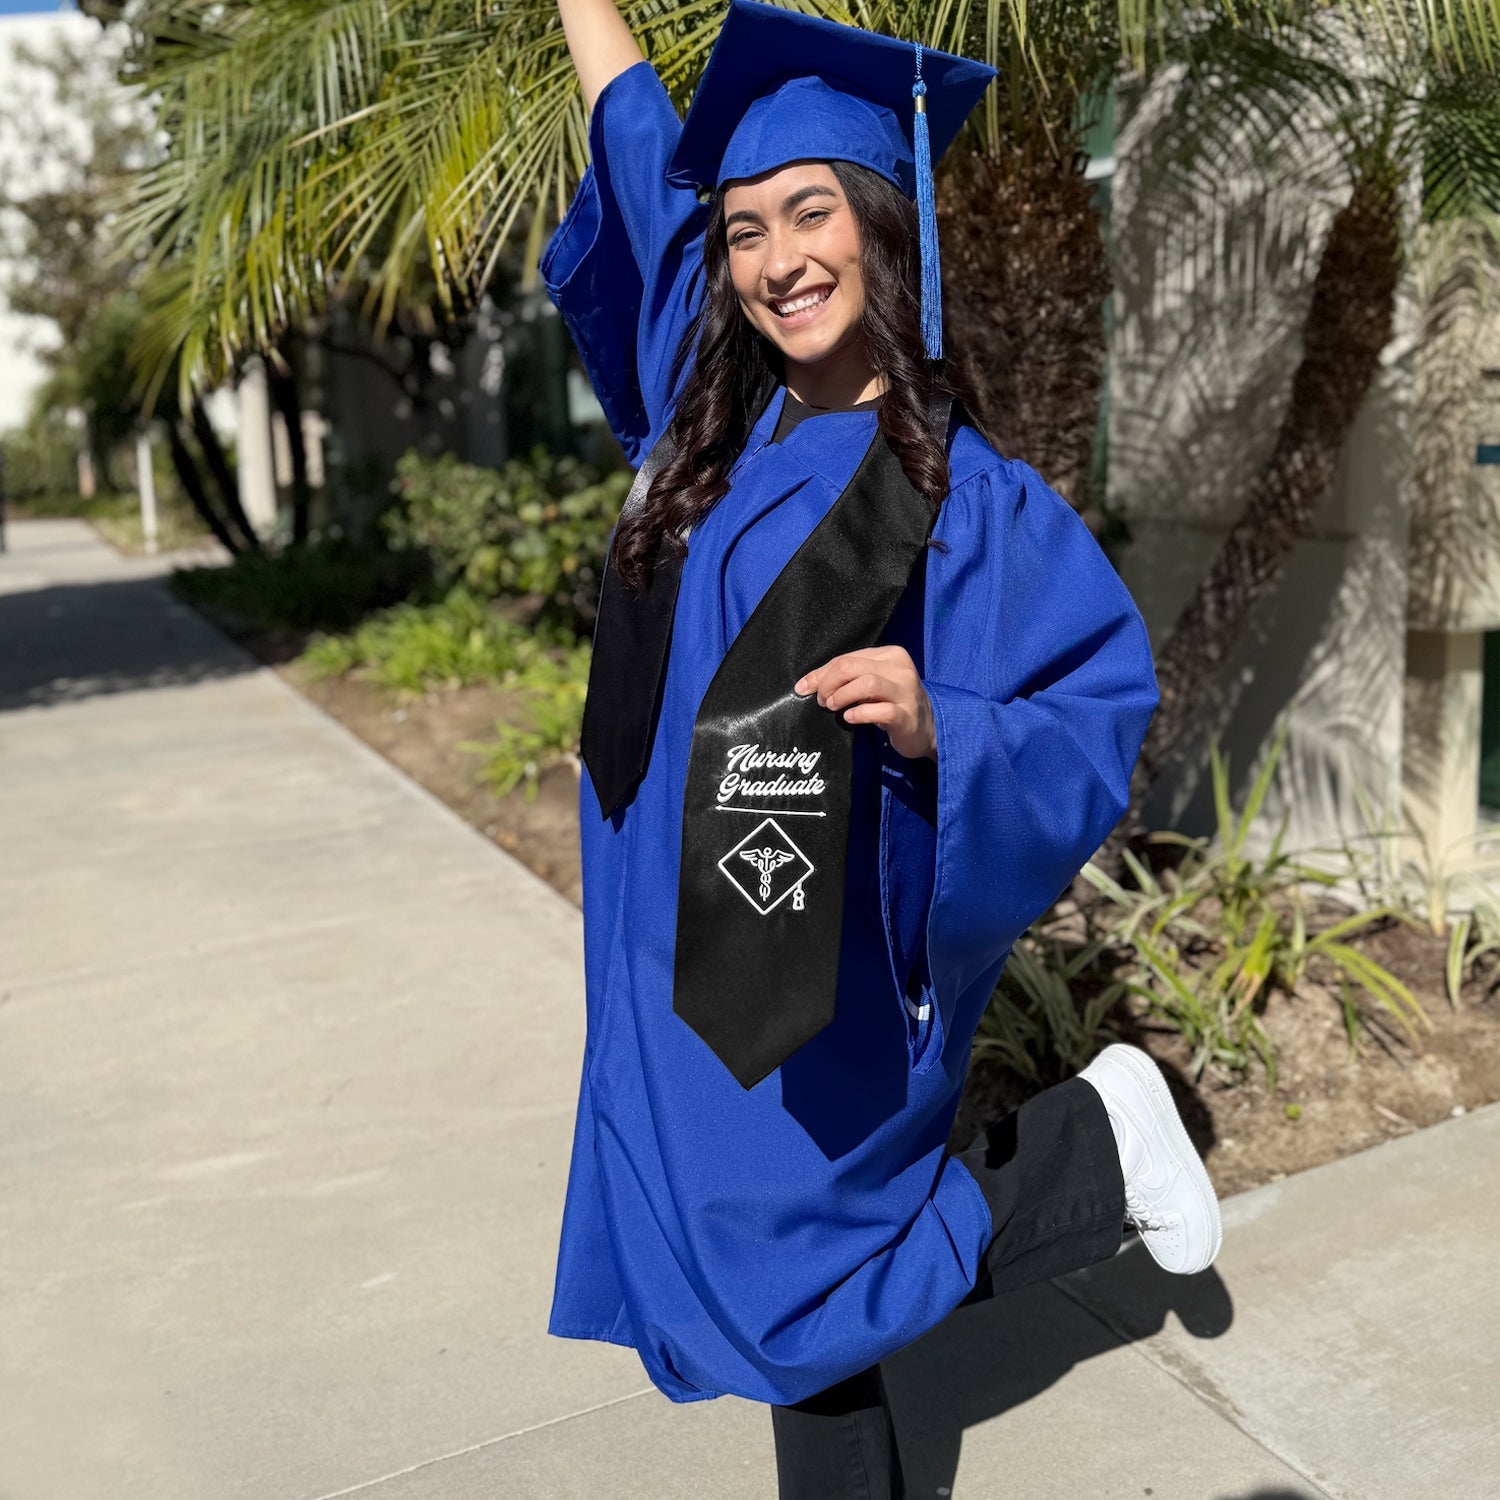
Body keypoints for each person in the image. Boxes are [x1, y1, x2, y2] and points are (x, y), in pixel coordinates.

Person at [543, 3, 1222, 1494]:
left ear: (880, 220)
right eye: (743, 231)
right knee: (781, 1312)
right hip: (663, 965)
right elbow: (634, 126)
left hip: (813, 970)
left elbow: (1094, 708)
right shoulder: (702, 415)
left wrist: (940, 724)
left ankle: (1087, 1158)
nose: (778, 258)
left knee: (792, 1295)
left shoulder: (966, 501)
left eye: (811, 212)